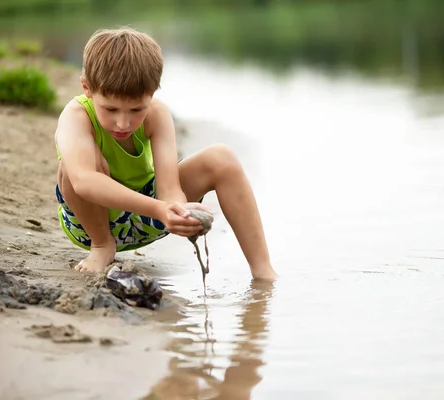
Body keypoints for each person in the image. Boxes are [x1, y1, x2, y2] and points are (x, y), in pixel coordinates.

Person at [54, 27, 277, 281]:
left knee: (221, 158)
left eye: (136, 109)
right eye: (111, 109)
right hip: (91, 224)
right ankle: (103, 246)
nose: (123, 123)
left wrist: (178, 212)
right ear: (87, 88)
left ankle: (263, 272)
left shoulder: (157, 113)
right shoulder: (76, 116)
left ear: (153, 93)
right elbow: (83, 181)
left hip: (148, 218)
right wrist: (159, 208)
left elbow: (169, 188)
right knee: (71, 171)